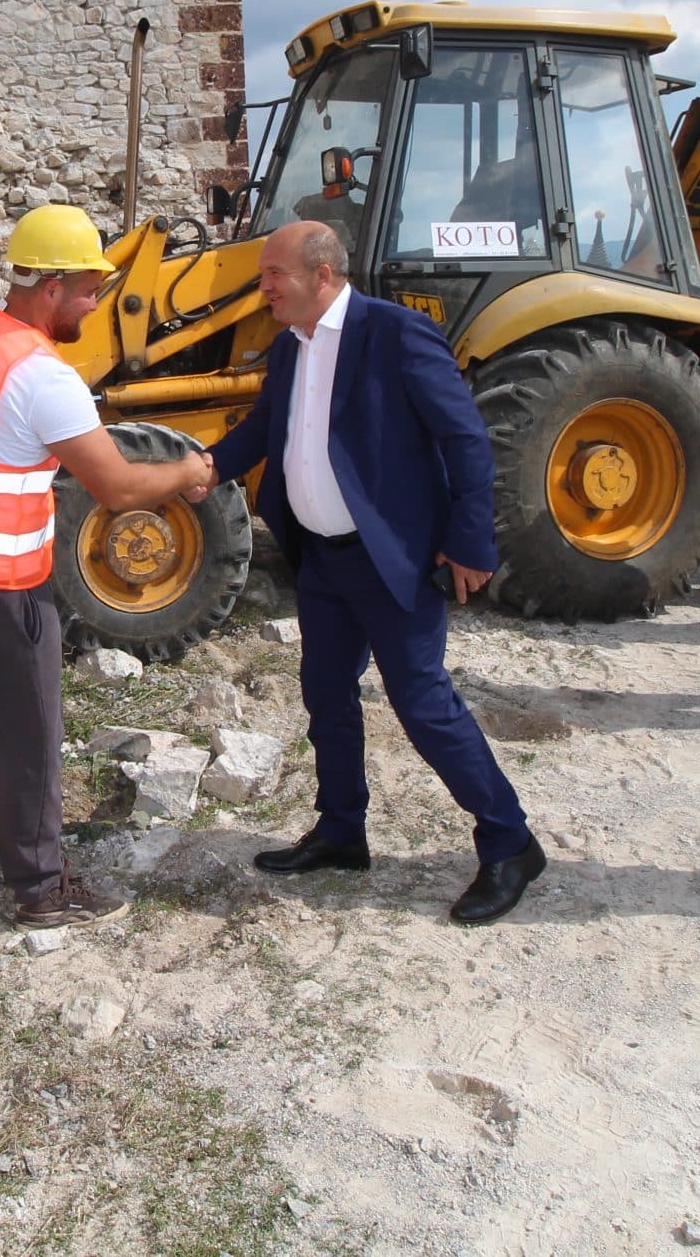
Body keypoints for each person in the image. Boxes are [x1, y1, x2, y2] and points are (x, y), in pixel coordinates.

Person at [202, 220, 548, 925]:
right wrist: (204, 467)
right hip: (322, 558)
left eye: (275, 273)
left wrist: (471, 543)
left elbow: (465, 438)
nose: (263, 285)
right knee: (325, 692)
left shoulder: (394, 333)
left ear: (322, 273)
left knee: (422, 702)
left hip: (391, 555)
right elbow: (264, 430)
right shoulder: (289, 347)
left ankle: (510, 842)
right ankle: (340, 829)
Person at [0, 203, 213, 931]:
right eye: (89, 288)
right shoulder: (45, 378)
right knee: (30, 729)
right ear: (51, 287)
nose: (97, 303)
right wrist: (186, 468)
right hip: (0, 580)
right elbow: (120, 487)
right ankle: (41, 887)